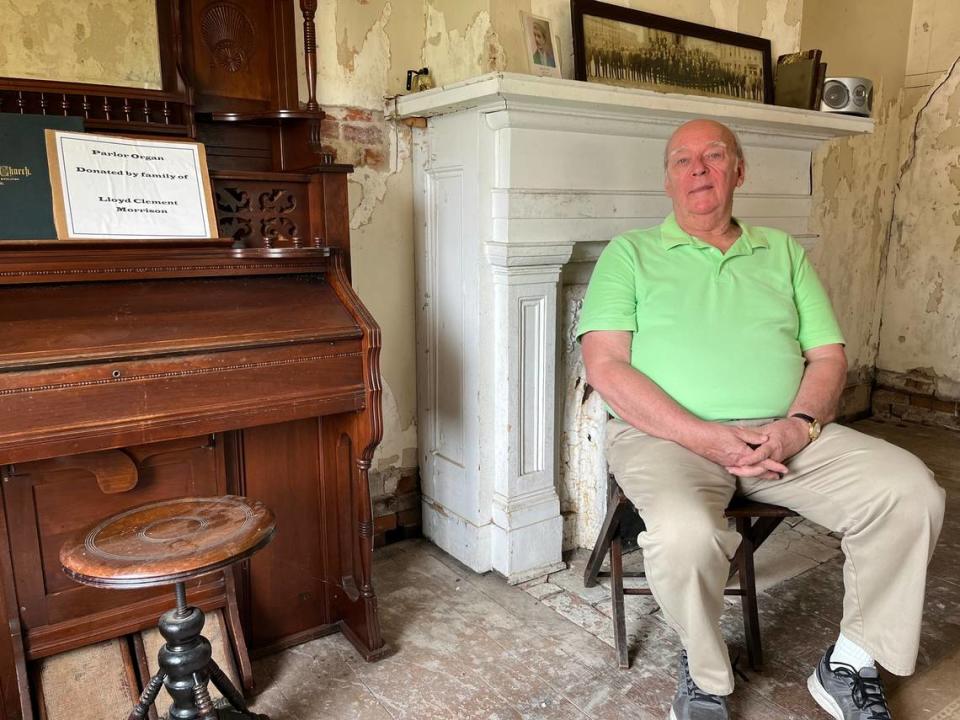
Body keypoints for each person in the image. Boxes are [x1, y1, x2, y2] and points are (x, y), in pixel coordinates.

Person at [577, 119, 944, 720]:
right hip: (667, 438)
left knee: (911, 493)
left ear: (738, 171)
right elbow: (607, 367)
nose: (698, 168)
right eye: (682, 160)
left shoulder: (782, 252)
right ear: (668, 181)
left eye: (715, 156)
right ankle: (705, 676)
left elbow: (828, 358)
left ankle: (851, 662)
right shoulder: (631, 254)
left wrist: (798, 425)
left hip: (784, 433)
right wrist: (707, 438)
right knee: (685, 534)